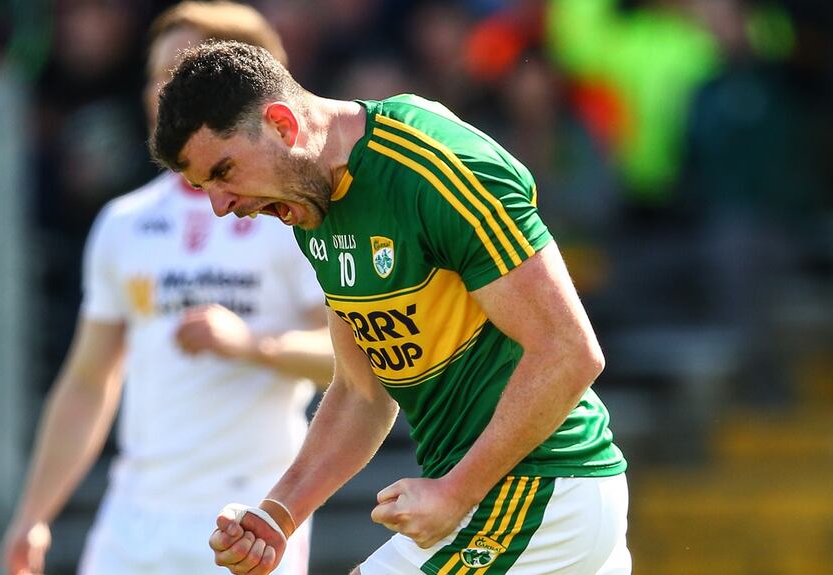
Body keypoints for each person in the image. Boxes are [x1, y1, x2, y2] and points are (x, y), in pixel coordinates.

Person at [151, 41, 631, 575]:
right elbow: (362, 392)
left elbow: (569, 351)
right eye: (201, 188)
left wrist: (454, 492)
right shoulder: (314, 209)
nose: (220, 207)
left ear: (283, 126)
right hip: (505, 500)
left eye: (223, 172)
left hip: (543, 491)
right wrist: (279, 515)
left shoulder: (431, 166)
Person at [0, 4, 332, 575]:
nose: (160, 91)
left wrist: (253, 345)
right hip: (133, 518)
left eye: (179, 73)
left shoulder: (295, 217)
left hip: (249, 519)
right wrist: (34, 513)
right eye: (154, 74)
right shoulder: (124, 222)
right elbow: (87, 380)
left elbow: (351, 367)